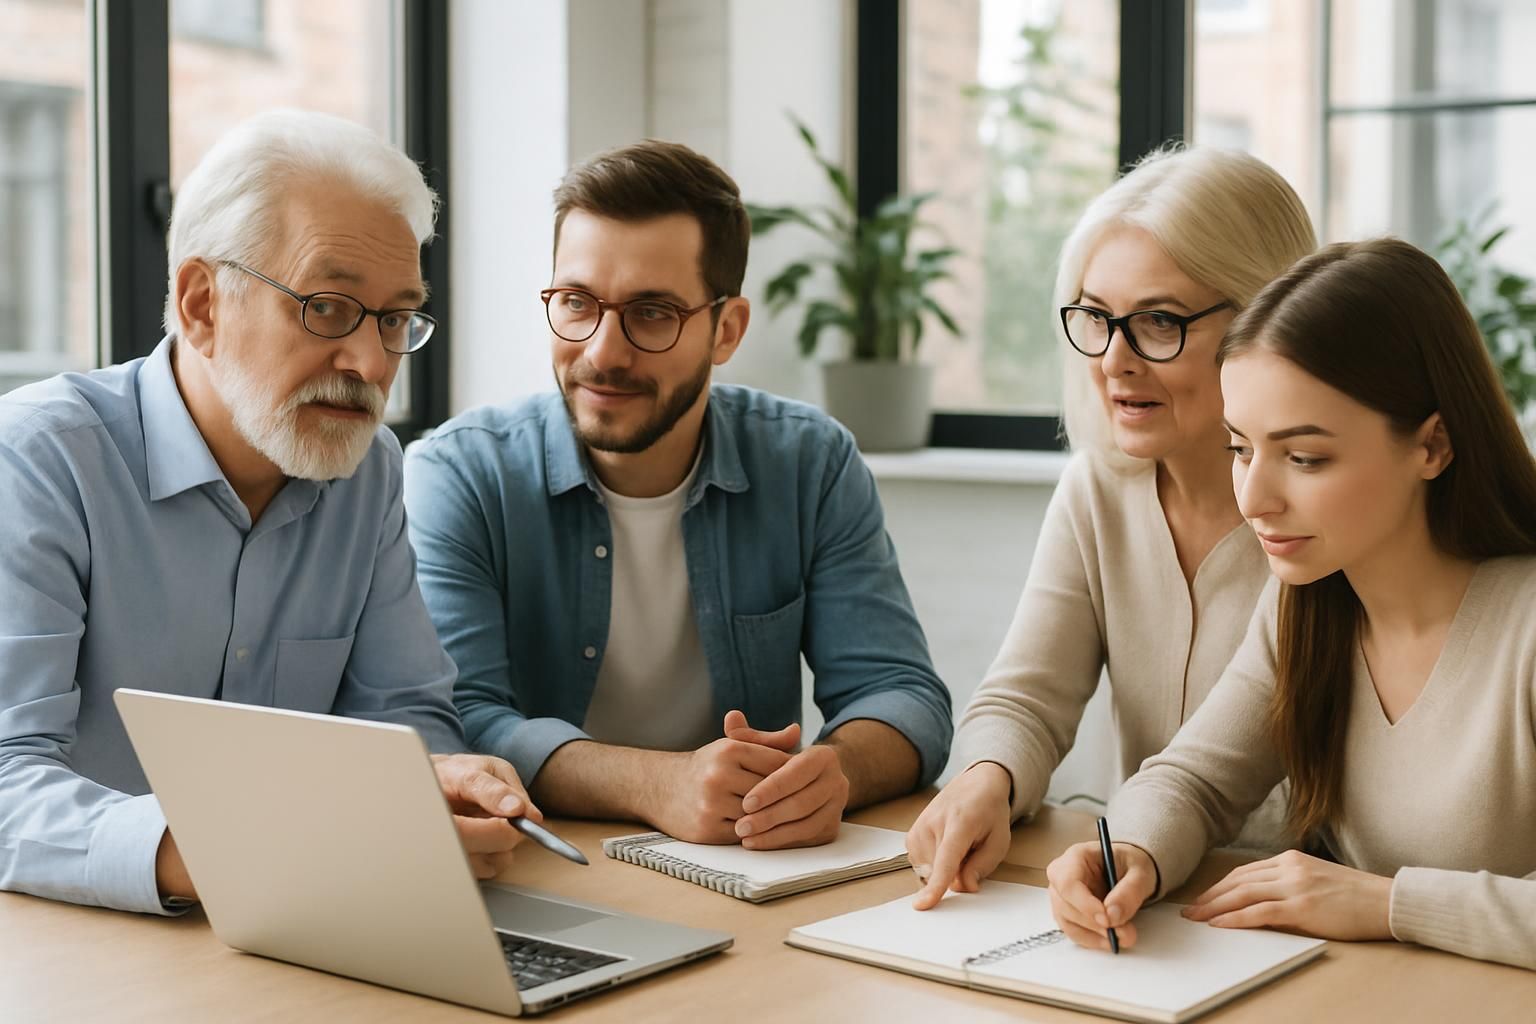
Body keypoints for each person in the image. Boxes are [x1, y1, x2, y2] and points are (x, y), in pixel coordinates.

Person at [0, 110, 537, 915]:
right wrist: (249, 852)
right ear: (202, 304)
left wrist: (436, 779)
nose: (369, 362)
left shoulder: (367, 468)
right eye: (327, 307)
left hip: (309, 923)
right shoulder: (41, 458)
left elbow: (400, 712)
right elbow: (7, 781)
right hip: (77, 950)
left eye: (396, 319)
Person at [404, 140, 951, 850]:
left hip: (742, 870)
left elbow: (903, 695)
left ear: (726, 330)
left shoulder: (810, 462)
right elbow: (461, 720)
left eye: (653, 313)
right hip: (544, 865)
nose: (603, 351)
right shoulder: (460, 473)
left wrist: (835, 771)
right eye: (576, 303)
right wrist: (653, 783)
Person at [1046, 238, 1536, 971]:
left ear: (1432, 445)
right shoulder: (1305, 606)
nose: (1255, 498)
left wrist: (1386, 902)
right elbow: (1199, 778)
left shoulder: (1523, 627)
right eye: (1240, 448)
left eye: (1305, 457)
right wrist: (1129, 851)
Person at [906, 147, 1316, 909]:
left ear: (1267, 318)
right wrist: (984, 781)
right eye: (1097, 318)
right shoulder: (1100, 490)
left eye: (1159, 321)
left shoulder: (1329, 516)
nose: (1114, 361)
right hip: (1149, 886)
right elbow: (1028, 698)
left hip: (1294, 909)